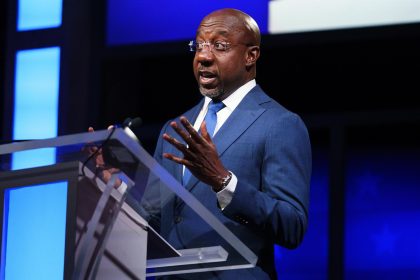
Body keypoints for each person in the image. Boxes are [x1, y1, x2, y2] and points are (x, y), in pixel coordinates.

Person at [150, 8, 312, 280]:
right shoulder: (175, 129)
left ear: (251, 56)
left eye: (219, 45)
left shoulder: (280, 124)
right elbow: (156, 219)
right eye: (199, 45)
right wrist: (116, 187)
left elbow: (291, 225)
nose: (203, 56)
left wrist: (224, 182)